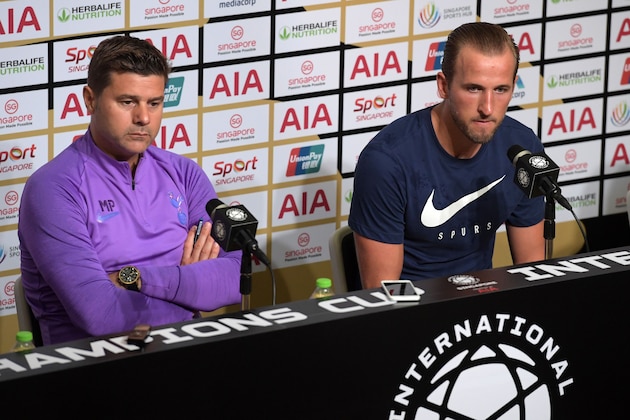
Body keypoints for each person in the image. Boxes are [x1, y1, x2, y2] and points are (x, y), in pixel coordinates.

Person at [17, 35, 242, 345]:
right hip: (93, 372)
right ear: (90, 99)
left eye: (154, 103)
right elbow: (101, 314)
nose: (143, 118)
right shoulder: (53, 189)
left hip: (185, 354)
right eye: (127, 102)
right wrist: (189, 283)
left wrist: (135, 279)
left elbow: (235, 277)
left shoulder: (184, 174)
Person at [348, 22, 545, 288]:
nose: (488, 108)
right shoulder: (387, 162)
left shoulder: (521, 148)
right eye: (473, 88)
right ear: (443, 85)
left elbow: (532, 274)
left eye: (500, 90)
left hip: (484, 312)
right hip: (413, 313)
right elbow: (384, 294)